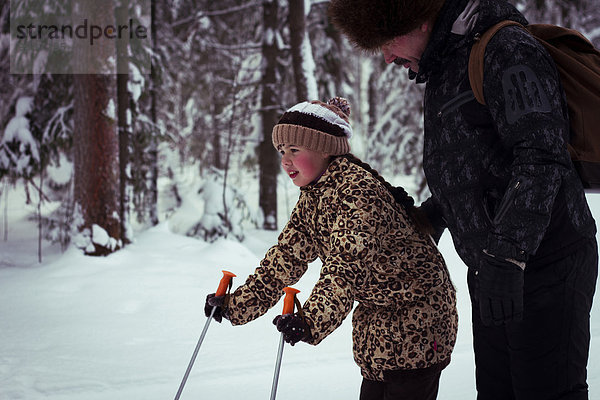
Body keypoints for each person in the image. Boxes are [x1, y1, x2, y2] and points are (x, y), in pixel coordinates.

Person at [328, 1, 598, 399]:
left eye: (388, 41)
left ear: (417, 18)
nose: (386, 57)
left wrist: (508, 256)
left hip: (547, 261)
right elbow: (477, 167)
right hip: (492, 269)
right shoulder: (444, 67)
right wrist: (428, 219)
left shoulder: (505, 49)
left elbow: (542, 156)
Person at [205, 97, 458, 400]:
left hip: (419, 319)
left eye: (294, 150)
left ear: (325, 148)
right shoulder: (315, 195)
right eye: (281, 151)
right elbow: (283, 260)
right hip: (378, 326)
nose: (285, 160)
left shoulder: (358, 193)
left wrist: (309, 321)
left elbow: (344, 268)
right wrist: (235, 306)